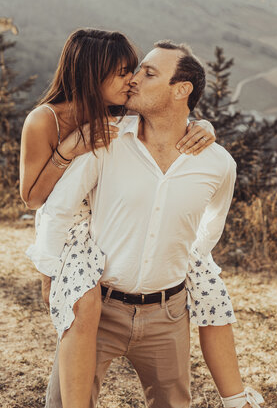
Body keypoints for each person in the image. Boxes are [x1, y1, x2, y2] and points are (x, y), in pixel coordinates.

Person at [23, 33, 263, 408]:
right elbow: (48, 205)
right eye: (128, 72)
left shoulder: (216, 162)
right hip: (96, 302)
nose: (132, 79)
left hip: (167, 313)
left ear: (181, 89)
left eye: (146, 73)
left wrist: (187, 256)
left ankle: (235, 397)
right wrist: (50, 273)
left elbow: (213, 221)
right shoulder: (99, 137)